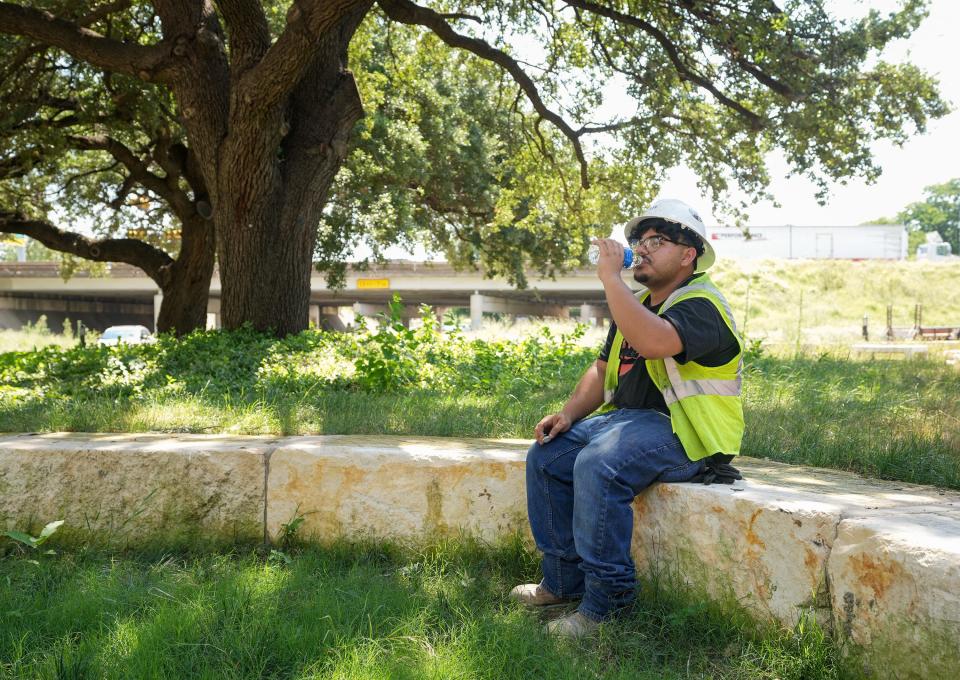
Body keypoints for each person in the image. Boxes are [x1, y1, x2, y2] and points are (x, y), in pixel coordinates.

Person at [510, 199, 745, 638]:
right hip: (630, 422)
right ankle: (562, 583)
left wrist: (609, 279)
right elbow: (603, 370)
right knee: (548, 455)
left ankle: (607, 606)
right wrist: (567, 414)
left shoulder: (702, 304)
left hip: (686, 433)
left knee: (600, 463)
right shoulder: (636, 305)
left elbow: (656, 343)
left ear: (689, 253)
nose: (643, 247)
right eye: (640, 239)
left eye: (658, 240)